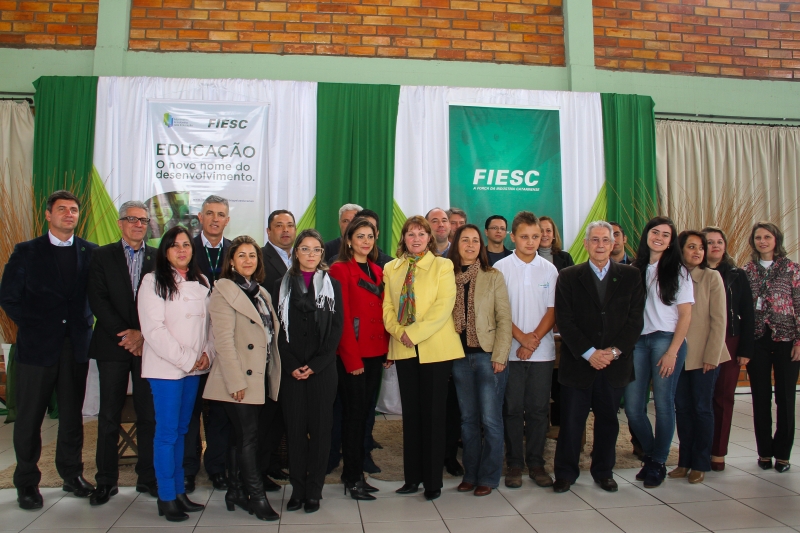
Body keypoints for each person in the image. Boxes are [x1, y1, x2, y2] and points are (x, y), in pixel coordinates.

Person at [0, 190, 98, 510]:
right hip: (37, 348)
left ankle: (71, 475)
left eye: (73, 210)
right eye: (62, 209)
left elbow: (97, 297)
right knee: (29, 419)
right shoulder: (26, 251)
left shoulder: (91, 252)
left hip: (76, 348)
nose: (69, 214)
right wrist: (36, 324)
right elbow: (10, 297)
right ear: (48, 215)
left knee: (72, 417)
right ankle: (27, 482)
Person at [552, 221, 644, 494]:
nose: (601, 245)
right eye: (595, 240)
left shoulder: (631, 275)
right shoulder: (568, 276)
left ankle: (603, 471)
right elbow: (564, 321)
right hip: (579, 363)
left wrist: (613, 353)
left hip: (614, 365)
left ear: (615, 243)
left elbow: (635, 320)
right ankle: (565, 473)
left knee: (608, 422)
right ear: (586, 243)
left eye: (606, 239)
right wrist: (590, 353)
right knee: (571, 422)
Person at [383, 216, 464, 501]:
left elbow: (444, 306)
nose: (416, 238)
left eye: (421, 234)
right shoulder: (391, 268)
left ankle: (432, 482)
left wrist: (414, 333)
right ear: (403, 238)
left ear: (430, 238)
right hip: (404, 348)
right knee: (412, 417)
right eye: (410, 234)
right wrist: (398, 331)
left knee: (433, 416)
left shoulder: (443, 265)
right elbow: (388, 307)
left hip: (435, 349)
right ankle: (411, 478)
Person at [203, 235, 281, 521]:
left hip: (259, 376)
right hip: (237, 380)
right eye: (242, 255)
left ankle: (235, 490)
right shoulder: (223, 290)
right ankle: (256, 497)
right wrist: (236, 382)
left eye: (252, 255)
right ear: (231, 261)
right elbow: (223, 341)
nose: (248, 260)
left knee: (241, 438)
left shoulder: (261, 293)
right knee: (249, 438)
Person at [138, 226, 212, 522]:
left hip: (195, 369)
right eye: (174, 245)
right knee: (167, 434)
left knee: (184, 431)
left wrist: (206, 354)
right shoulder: (152, 281)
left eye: (186, 245)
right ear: (165, 251)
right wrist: (186, 359)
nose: (182, 250)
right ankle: (166, 496)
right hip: (167, 369)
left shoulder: (201, 280)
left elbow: (209, 325)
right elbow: (153, 330)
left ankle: (181, 491)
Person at [87, 201, 157, 506]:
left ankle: (147, 477)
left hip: (149, 346)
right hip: (113, 345)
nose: (138, 224)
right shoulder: (101, 255)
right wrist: (126, 333)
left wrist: (142, 333)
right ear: (120, 223)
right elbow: (97, 299)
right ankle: (106, 480)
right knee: (109, 415)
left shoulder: (157, 257)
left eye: (143, 220)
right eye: (132, 219)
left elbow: (161, 299)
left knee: (148, 414)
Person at [271, 229, 343, 514]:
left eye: (316, 250)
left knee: (321, 433)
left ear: (321, 255)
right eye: (305, 249)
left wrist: (313, 366)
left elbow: (336, 331)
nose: (311, 254)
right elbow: (276, 330)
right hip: (291, 372)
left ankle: (314, 491)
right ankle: (298, 490)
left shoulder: (332, 285)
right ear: (295, 252)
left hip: (322, 372)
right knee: (296, 433)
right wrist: (292, 366)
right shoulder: (279, 285)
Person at [625, 216, 693, 489]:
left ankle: (658, 462)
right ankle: (653, 456)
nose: (660, 237)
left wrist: (673, 351)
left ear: (671, 241)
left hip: (666, 341)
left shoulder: (678, 271)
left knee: (664, 405)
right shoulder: (634, 268)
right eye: (656, 232)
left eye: (666, 235)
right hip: (638, 343)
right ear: (646, 235)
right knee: (632, 408)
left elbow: (686, 315)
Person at [493, 211, 558, 489]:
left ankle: (536, 462)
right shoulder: (501, 269)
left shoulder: (549, 269)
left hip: (542, 353)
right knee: (512, 408)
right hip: (510, 350)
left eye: (535, 236)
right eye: (524, 237)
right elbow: (498, 310)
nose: (531, 242)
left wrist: (533, 341)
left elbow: (553, 309)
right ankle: (514, 464)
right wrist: (521, 339)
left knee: (537, 409)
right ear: (513, 237)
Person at [448, 224, 512, 497]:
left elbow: (504, 319)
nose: (471, 245)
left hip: (487, 357)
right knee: (468, 421)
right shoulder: (446, 275)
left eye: (476, 241)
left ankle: (489, 477)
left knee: (491, 420)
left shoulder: (492, 275)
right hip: (458, 357)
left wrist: (500, 356)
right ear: (456, 244)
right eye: (466, 240)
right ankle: (470, 474)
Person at [329, 218, 390, 500]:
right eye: (360, 236)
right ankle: (352, 477)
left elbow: (384, 314)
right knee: (353, 417)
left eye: (370, 236)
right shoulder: (340, 270)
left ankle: (355, 473)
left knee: (366, 415)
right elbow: (340, 319)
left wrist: (388, 350)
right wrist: (351, 359)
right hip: (354, 356)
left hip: (377, 353)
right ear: (349, 239)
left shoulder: (379, 270)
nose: (366, 241)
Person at [668, 231, 729, 485]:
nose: (697, 252)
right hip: (677, 355)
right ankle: (684, 461)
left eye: (701, 248)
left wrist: (712, 356)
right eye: (691, 247)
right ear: (680, 249)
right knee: (682, 409)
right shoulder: (670, 276)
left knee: (702, 409)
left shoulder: (711, 277)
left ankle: (700, 463)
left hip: (705, 356)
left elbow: (719, 320)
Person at [743, 221, 800, 473]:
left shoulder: (792, 269)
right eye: (758, 237)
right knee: (761, 398)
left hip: (787, 339)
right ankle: (764, 452)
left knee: (785, 398)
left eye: (767, 237)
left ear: (776, 240)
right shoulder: (745, 271)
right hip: (757, 342)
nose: (762, 241)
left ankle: (783, 455)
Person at [185, 195, 232, 493]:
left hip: (225, 345)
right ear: (200, 218)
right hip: (192, 342)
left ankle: (217, 467)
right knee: (189, 413)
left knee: (219, 411)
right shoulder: (184, 248)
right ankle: (189, 468)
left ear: (228, 220)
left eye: (221, 215)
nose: (215, 219)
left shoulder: (235, 251)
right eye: (210, 214)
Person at [702, 226, 754, 471]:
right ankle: (697, 451)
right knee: (699, 399)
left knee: (723, 397)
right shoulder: (690, 272)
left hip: (730, 339)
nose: (714, 246)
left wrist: (745, 349)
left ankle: (718, 453)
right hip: (698, 340)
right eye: (709, 242)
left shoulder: (737, 275)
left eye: (719, 242)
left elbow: (747, 313)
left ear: (725, 246)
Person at [258, 209, 297, 487]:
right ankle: (258, 471)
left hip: (295, 348)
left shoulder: (302, 256)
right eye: (279, 226)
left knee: (283, 413)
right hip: (269, 348)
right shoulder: (258, 257)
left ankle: (272, 464)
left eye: (290, 225)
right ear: (269, 231)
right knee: (266, 415)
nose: (285, 230)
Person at [425, 206, 463, 475]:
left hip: (455, 339)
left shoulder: (461, 253)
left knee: (452, 403)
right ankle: (425, 456)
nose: (440, 225)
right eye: (434, 221)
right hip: (423, 339)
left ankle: (449, 455)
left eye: (445, 221)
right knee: (426, 404)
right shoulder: (418, 255)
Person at [536, 216, 573, 438]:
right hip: (533, 323)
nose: (545, 234)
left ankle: (558, 426)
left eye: (549, 230)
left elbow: (570, 292)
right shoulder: (522, 258)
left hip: (559, 323)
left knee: (558, 379)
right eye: (541, 230)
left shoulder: (564, 258)